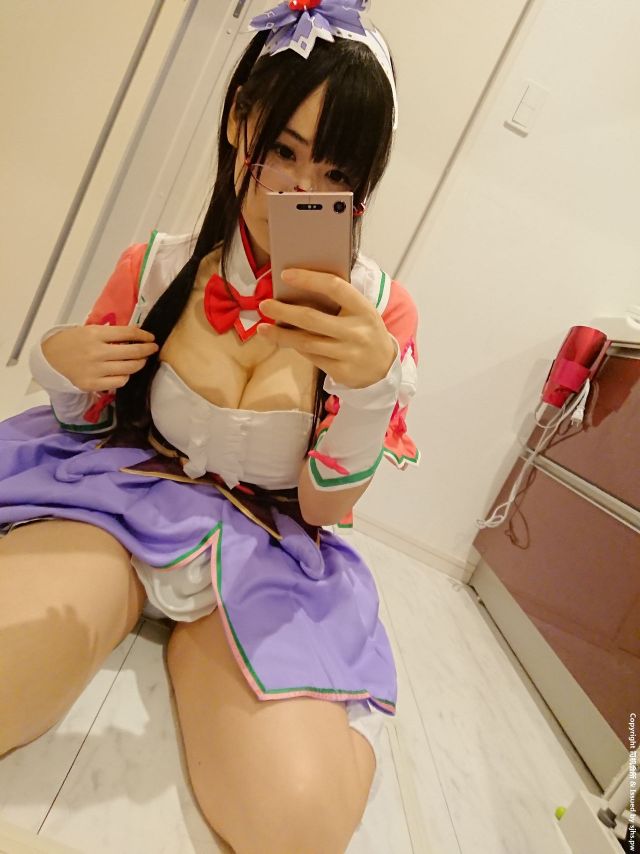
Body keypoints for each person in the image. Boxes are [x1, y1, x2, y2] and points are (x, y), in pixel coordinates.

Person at [0, 1, 420, 850]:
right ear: (239, 122)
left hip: (269, 546)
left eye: (334, 173)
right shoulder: (158, 264)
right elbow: (87, 419)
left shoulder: (377, 315)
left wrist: (372, 389)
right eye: (283, 152)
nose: (299, 192)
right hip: (125, 500)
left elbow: (327, 509)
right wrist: (61, 361)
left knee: (297, 825)